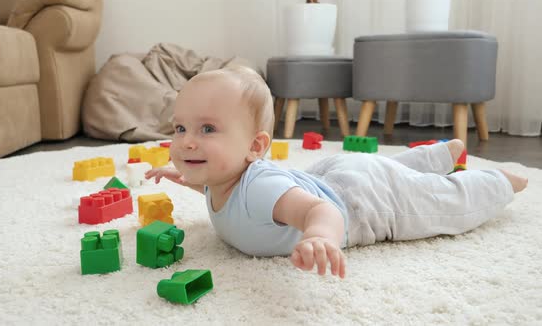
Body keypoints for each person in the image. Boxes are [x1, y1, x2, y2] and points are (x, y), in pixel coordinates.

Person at [145, 66, 528, 279]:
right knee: (388, 169)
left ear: (255, 147)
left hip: (363, 204)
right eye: (181, 129)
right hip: (336, 173)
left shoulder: (263, 189)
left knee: (437, 204)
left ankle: (497, 182)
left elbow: (321, 212)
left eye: (207, 129)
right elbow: (223, 193)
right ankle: (438, 155)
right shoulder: (221, 178)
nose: (187, 142)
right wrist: (185, 177)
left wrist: (319, 237)